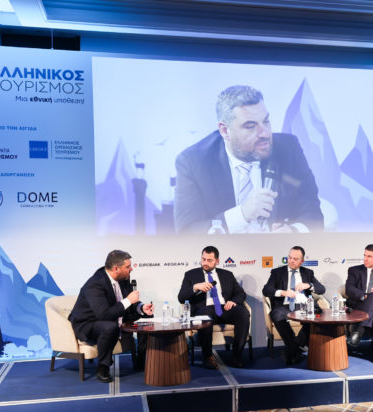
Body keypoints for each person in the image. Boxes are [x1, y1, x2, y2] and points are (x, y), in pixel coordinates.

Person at [174, 85, 323, 234]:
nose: (265, 133)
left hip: (276, 248)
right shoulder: (193, 162)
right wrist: (242, 214)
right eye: (251, 126)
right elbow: (187, 231)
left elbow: (313, 213)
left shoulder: (288, 148)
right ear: (225, 130)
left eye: (266, 121)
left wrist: (293, 231)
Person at [69, 250, 154, 383]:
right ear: (116, 269)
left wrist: (141, 307)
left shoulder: (123, 278)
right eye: (128, 267)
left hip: (114, 316)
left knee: (147, 316)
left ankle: (141, 362)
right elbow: (103, 314)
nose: (131, 269)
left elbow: (129, 303)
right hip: (89, 323)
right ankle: (103, 367)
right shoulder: (95, 284)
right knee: (110, 327)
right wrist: (128, 300)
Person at [178, 246, 250, 369]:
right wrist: (195, 287)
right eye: (203, 259)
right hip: (204, 308)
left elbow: (241, 293)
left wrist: (233, 301)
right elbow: (181, 297)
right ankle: (208, 357)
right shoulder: (191, 275)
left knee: (243, 313)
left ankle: (237, 354)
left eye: (209, 260)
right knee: (205, 315)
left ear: (217, 261)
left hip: (224, 308)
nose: (205, 263)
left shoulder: (227, 274)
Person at [262, 246, 326, 365]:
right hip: (284, 305)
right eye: (290, 257)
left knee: (318, 316)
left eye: (295, 259)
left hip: (304, 305)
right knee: (277, 315)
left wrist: (309, 285)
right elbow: (266, 290)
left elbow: (322, 289)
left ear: (302, 261)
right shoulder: (277, 272)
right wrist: (283, 292)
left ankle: (293, 349)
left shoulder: (308, 272)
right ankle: (295, 348)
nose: (291, 261)